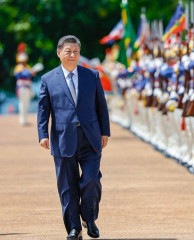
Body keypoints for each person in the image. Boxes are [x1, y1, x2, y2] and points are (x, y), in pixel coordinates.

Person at [37, 35, 110, 240]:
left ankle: (89, 218)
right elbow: (43, 110)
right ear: (59, 53)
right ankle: (74, 228)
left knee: (91, 180)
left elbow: (101, 106)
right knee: (67, 186)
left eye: (75, 51)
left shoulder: (92, 76)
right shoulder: (48, 79)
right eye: (68, 51)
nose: (72, 55)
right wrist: (42, 134)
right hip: (62, 139)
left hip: (91, 138)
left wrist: (105, 131)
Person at [14, 42, 43, 126]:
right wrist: (31, 71)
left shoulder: (27, 67)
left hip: (28, 87)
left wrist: (33, 71)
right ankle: (22, 120)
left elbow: (31, 74)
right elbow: (22, 75)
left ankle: (25, 119)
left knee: (26, 104)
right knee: (22, 103)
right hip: (22, 87)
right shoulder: (19, 67)